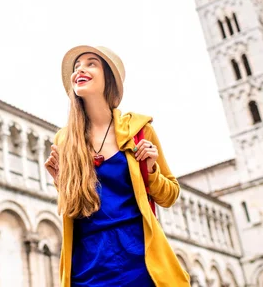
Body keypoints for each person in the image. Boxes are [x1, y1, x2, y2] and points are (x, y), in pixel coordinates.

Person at [45, 45, 190, 287]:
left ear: (109, 78)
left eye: (91, 63)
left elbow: (170, 196)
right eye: (77, 66)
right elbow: (77, 208)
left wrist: (151, 170)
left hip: (140, 261)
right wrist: (61, 183)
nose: (80, 69)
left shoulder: (139, 130)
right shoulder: (65, 140)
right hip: (87, 266)